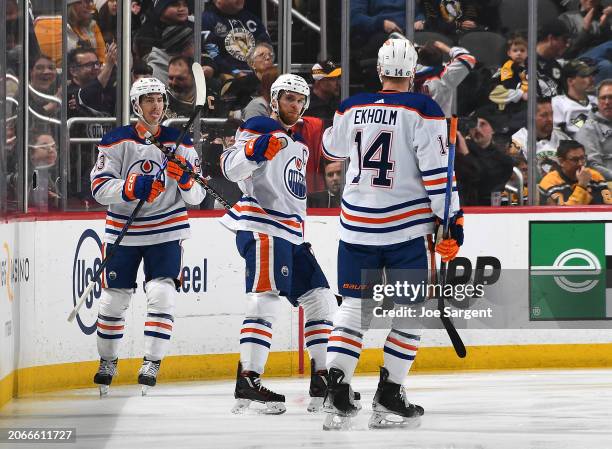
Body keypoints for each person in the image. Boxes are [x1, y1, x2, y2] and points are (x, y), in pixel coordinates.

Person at [320, 38, 463, 429]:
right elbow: (438, 174)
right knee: (410, 312)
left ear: (380, 71)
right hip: (405, 229)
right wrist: (453, 220)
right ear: (414, 72)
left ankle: (336, 391)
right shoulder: (423, 109)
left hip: (357, 225)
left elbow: (331, 146)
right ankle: (390, 394)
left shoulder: (352, 106)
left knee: (353, 308)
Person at [219, 74, 339, 414]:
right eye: (289, 99)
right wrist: (254, 152)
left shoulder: (299, 142)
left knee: (319, 298)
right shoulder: (258, 126)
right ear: (274, 100)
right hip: (263, 226)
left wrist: (301, 235)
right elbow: (230, 167)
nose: (296, 105)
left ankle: (321, 378)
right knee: (265, 298)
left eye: (301, 100)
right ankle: (248, 380)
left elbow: (293, 194)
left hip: (292, 233)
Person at [89, 77, 206, 395]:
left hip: (166, 230)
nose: (156, 106)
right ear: (135, 105)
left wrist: (184, 180)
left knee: (162, 294)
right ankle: (107, 361)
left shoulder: (179, 141)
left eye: (159, 100)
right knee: (113, 300)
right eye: (148, 100)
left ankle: (152, 361)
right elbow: (99, 188)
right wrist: (133, 187)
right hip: (123, 233)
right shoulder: (115, 141)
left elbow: (196, 196)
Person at [201, 0, 271, 79]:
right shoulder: (206, 19)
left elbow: (266, 45)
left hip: (257, 73)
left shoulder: (251, 18)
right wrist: (234, 72)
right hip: (227, 76)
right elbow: (212, 54)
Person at [510, 97, 570, 179]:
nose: (550, 119)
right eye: (544, 115)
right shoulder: (517, 141)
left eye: (552, 114)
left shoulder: (563, 137)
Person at [539, 139, 612, 205]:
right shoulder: (550, 181)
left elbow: (608, 206)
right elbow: (565, 214)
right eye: (575, 160)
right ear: (561, 161)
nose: (580, 163)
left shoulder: (595, 176)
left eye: (582, 158)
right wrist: (582, 186)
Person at [415, 40, 476, 117]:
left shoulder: (411, 73)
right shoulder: (445, 75)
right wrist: (447, 49)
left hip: (416, 120)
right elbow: (469, 59)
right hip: (440, 122)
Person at [577, 79, 612, 180]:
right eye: (603, 98)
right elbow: (591, 165)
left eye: (611, 97)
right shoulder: (588, 128)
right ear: (597, 101)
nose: (607, 102)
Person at [552, 59, 597, 137]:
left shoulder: (599, 101)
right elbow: (557, 135)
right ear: (570, 81)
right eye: (584, 76)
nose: (591, 79)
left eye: (592, 75)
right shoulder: (557, 104)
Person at [489, 34, 529, 111]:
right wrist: (521, 93)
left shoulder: (529, 65)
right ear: (509, 53)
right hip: (513, 95)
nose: (519, 53)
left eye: (522, 50)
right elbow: (507, 84)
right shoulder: (508, 66)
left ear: (527, 53)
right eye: (515, 50)